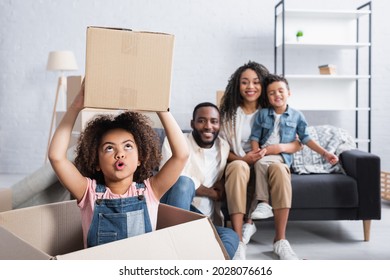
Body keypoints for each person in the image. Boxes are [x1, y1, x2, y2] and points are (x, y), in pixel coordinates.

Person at [48, 80, 189, 249]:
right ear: (96, 162)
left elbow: (181, 155)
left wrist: (160, 107)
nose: (120, 153)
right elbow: (56, 156)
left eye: (128, 146)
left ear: (139, 159)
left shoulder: (150, 191)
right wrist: (75, 106)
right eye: (109, 148)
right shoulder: (88, 193)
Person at [219, 61, 302, 260]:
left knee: (280, 169)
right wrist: (242, 158)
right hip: (240, 162)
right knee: (238, 167)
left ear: (263, 86)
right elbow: (221, 148)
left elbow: (297, 144)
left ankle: (280, 241)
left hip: (268, 162)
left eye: (256, 82)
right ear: (237, 86)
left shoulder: (274, 110)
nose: (250, 87)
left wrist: (278, 148)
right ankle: (238, 241)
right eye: (245, 82)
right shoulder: (229, 115)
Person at [250, 74, 339, 220]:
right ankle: (259, 209)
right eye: (271, 93)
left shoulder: (297, 116)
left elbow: (306, 139)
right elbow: (254, 137)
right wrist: (255, 153)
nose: (276, 95)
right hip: (263, 153)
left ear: (288, 93)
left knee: (262, 163)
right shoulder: (263, 114)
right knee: (260, 162)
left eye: (280, 91)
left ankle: (264, 203)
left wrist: (325, 153)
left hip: (282, 156)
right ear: (267, 96)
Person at [159, 102, 239, 260]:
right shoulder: (176, 141)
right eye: (202, 120)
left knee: (231, 236)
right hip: (175, 210)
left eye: (214, 121)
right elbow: (170, 178)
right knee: (183, 182)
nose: (208, 126)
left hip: (204, 219)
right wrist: (210, 192)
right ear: (192, 123)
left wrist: (222, 182)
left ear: (219, 124)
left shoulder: (223, 146)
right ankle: (177, 251)